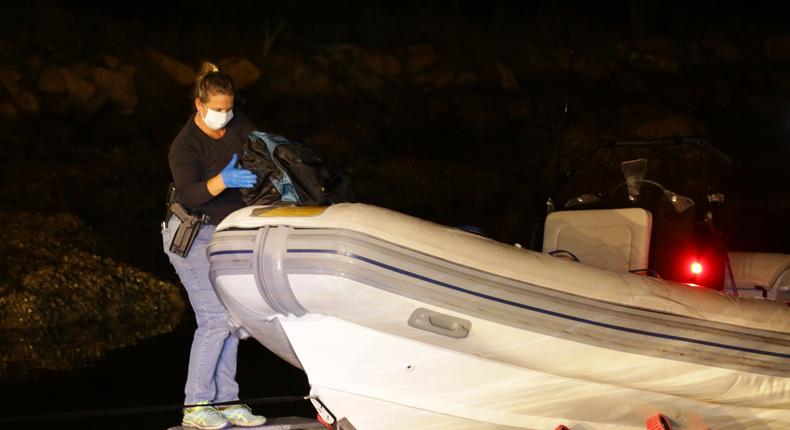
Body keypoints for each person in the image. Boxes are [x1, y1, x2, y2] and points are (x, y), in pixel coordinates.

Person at [162, 61, 266, 429]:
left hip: (227, 233)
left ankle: (227, 400)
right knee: (214, 318)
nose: (225, 115)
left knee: (235, 319)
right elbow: (191, 193)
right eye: (217, 109)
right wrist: (222, 181)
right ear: (199, 105)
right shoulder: (185, 144)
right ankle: (196, 405)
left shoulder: (239, 125)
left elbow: (262, 152)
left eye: (229, 108)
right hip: (190, 235)